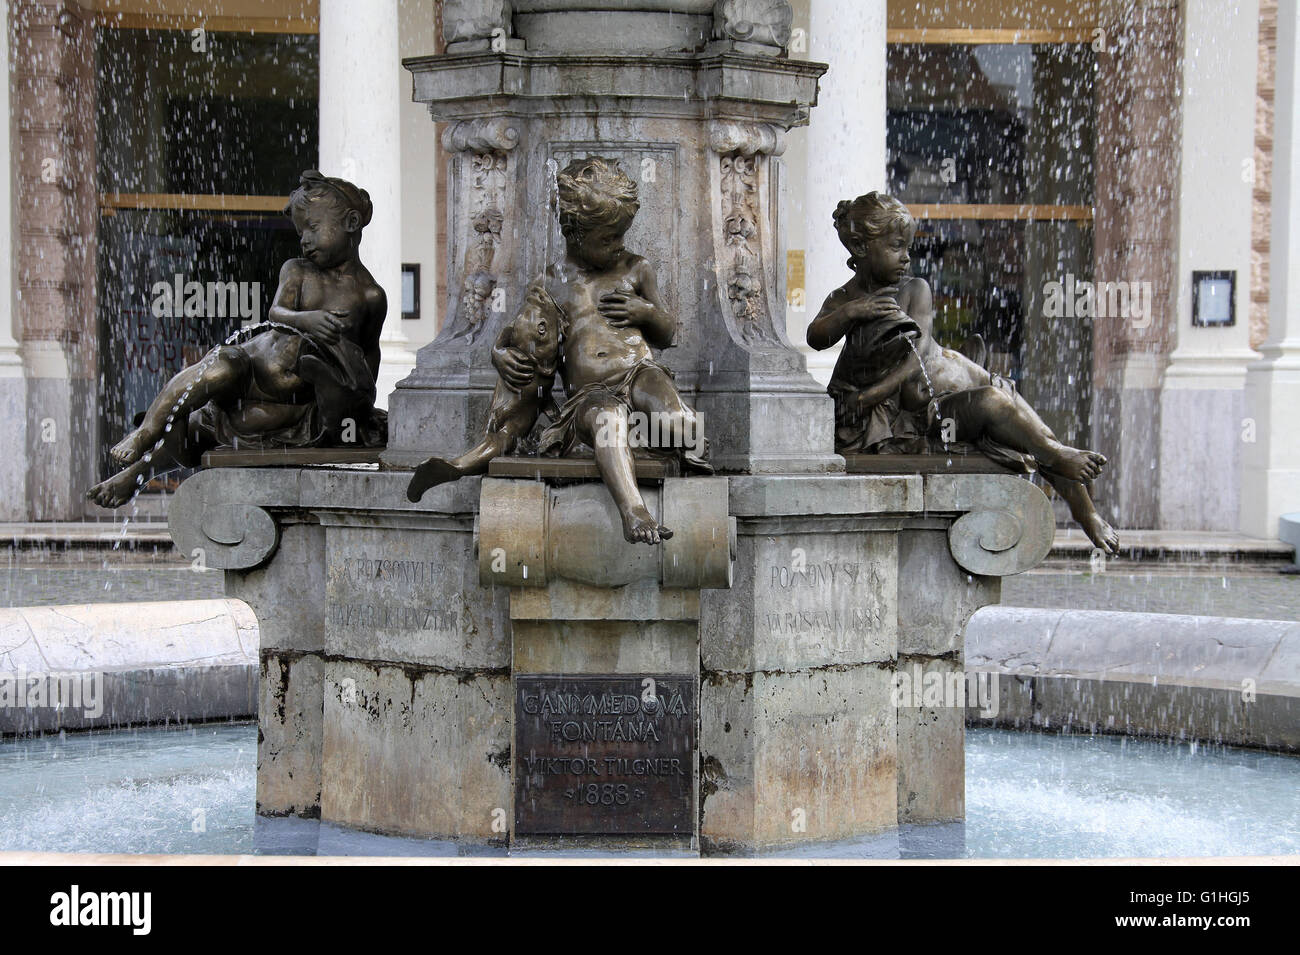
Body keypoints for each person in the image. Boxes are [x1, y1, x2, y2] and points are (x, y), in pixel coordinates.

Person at [807, 191, 1119, 555]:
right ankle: (1056, 455)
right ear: (860, 248)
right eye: (896, 246)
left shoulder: (913, 289)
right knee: (1004, 412)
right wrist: (852, 311)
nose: (906, 256)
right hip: (905, 410)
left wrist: (868, 397)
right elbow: (816, 338)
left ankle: (1083, 506)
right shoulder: (843, 298)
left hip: (937, 386)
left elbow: (917, 358)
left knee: (1017, 418)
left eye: (908, 246)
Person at [87, 171, 388, 509]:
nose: (304, 240)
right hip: (253, 369)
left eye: (313, 229)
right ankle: (146, 431)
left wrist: (360, 405)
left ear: (350, 223)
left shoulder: (370, 295)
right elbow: (277, 313)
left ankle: (139, 473)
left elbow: (370, 354)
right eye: (301, 232)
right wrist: (308, 320)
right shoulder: (299, 270)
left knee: (211, 429)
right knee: (218, 369)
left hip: (294, 397)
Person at [406, 283, 562, 501]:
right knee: (505, 438)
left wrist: (498, 350)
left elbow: (505, 335)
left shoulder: (524, 320)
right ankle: (457, 467)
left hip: (510, 398)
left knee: (499, 437)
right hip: (519, 402)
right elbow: (546, 398)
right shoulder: (541, 349)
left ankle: (456, 466)